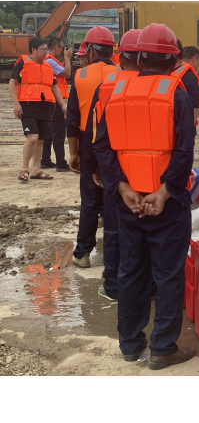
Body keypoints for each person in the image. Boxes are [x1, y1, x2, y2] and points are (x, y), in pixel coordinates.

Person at [93, 23, 196, 369]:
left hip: (129, 203)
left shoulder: (117, 93)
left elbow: (103, 147)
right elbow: (183, 152)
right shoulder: (176, 94)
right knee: (167, 274)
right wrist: (165, 193)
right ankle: (164, 347)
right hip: (166, 204)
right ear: (174, 59)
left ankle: (130, 345)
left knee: (131, 271)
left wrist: (122, 189)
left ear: (136, 57)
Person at [86, 29, 142, 301]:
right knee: (149, 232)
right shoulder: (168, 87)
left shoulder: (108, 86)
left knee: (114, 230)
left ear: (121, 56)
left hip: (115, 171)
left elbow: (94, 134)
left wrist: (96, 169)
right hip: (152, 175)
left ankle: (113, 286)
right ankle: (149, 287)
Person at [66, 26, 119, 268]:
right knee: (113, 198)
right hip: (117, 142)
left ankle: (83, 253)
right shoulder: (122, 74)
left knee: (89, 201)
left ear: (92, 51)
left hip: (88, 142)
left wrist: (73, 152)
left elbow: (73, 118)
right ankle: (114, 256)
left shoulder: (80, 76)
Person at [9, 37, 64, 181]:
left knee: (41, 139)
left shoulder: (47, 66)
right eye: (43, 50)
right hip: (27, 106)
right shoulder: (22, 64)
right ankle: (24, 169)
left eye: (46, 49)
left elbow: (54, 86)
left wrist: (63, 105)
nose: (46, 52)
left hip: (45, 106)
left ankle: (36, 170)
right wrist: (16, 104)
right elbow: (12, 84)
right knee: (32, 138)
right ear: (33, 50)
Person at [41, 37, 72, 171]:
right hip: (56, 101)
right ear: (56, 47)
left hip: (51, 100)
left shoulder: (48, 61)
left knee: (49, 132)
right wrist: (68, 58)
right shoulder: (50, 61)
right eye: (61, 47)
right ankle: (61, 162)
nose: (62, 50)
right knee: (58, 132)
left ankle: (45, 159)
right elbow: (67, 73)